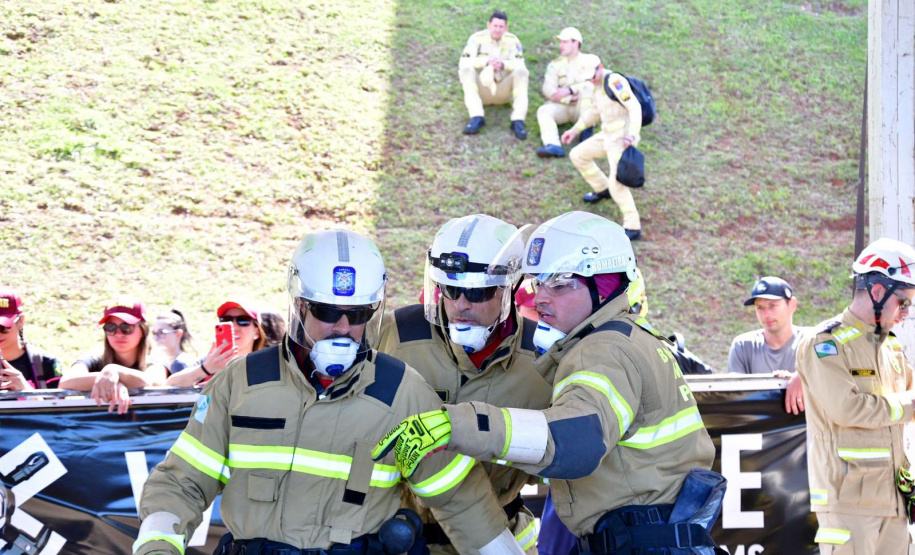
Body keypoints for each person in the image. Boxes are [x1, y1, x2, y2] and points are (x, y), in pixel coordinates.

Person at [134, 229, 525, 555]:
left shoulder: (403, 394)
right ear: (299, 304)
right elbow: (181, 482)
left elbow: (462, 502)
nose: (342, 327)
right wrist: (158, 545)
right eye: (325, 311)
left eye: (357, 315)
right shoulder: (243, 382)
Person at [376, 212, 723, 554]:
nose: (540, 297)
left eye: (559, 284)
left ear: (603, 287)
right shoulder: (622, 340)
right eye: (539, 282)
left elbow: (577, 441)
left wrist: (460, 425)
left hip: (641, 541)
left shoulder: (603, 350)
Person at [376, 214, 552, 555]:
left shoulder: (544, 359)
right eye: (450, 289)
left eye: (477, 292)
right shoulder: (394, 335)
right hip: (399, 540)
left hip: (499, 539)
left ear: (510, 286)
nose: (460, 305)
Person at [796, 238, 915, 554]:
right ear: (878, 292)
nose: (905, 312)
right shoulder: (825, 343)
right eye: (903, 302)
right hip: (848, 503)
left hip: (895, 501)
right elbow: (847, 409)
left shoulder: (891, 347)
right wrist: (908, 406)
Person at [561, 66, 643, 240]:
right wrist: (574, 131)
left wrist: (633, 134)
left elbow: (634, 107)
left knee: (618, 184)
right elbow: (594, 112)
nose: (591, 80)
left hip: (621, 139)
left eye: (593, 77)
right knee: (578, 155)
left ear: (599, 68)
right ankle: (602, 188)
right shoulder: (596, 86)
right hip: (606, 136)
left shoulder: (614, 82)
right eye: (588, 79)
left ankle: (633, 226)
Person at [60, 296, 168, 414]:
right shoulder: (94, 357)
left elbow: (152, 382)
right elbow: (66, 382)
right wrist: (112, 382)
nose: (118, 334)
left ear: (143, 330)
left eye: (126, 327)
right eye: (110, 327)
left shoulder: (157, 359)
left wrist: (114, 371)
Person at [727, 276, 806, 414]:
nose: (766, 314)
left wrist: (803, 377)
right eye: (760, 308)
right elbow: (735, 397)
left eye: (772, 306)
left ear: (792, 305)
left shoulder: (812, 341)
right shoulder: (743, 346)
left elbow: (834, 381)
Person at [458, 10, 529, 139]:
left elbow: (520, 64)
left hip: (503, 89)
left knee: (522, 73)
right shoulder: (476, 39)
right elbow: (464, 62)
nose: (497, 30)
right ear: (488, 25)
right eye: (495, 26)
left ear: (506, 28)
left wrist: (503, 64)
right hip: (482, 88)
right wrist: (486, 62)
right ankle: (476, 117)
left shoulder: (513, 41)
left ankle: (518, 120)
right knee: (466, 70)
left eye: (501, 27)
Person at [164, 300, 265, 387]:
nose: (234, 327)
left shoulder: (266, 364)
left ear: (256, 332)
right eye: (226, 320)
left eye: (243, 321)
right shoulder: (209, 361)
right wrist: (206, 369)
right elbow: (170, 384)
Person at [535, 28, 601, 159]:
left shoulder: (591, 60)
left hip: (584, 107)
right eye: (560, 42)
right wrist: (569, 99)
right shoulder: (555, 65)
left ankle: (586, 133)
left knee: (588, 88)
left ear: (575, 43)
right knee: (543, 110)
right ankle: (553, 145)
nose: (561, 45)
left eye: (565, 42)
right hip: (564, 106)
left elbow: (596, 82)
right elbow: (548, 90)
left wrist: (570, 90)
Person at [0, 287, 61, 391]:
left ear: (20, 321)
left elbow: (58, 406)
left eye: (3, 327)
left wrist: (26, 390)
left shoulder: (46, 363)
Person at [151, 310, 197, 375]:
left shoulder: (182, 364)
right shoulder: (157, 363)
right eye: (154, 333)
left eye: (161, 332)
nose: (155, 338)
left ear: (178, 334)